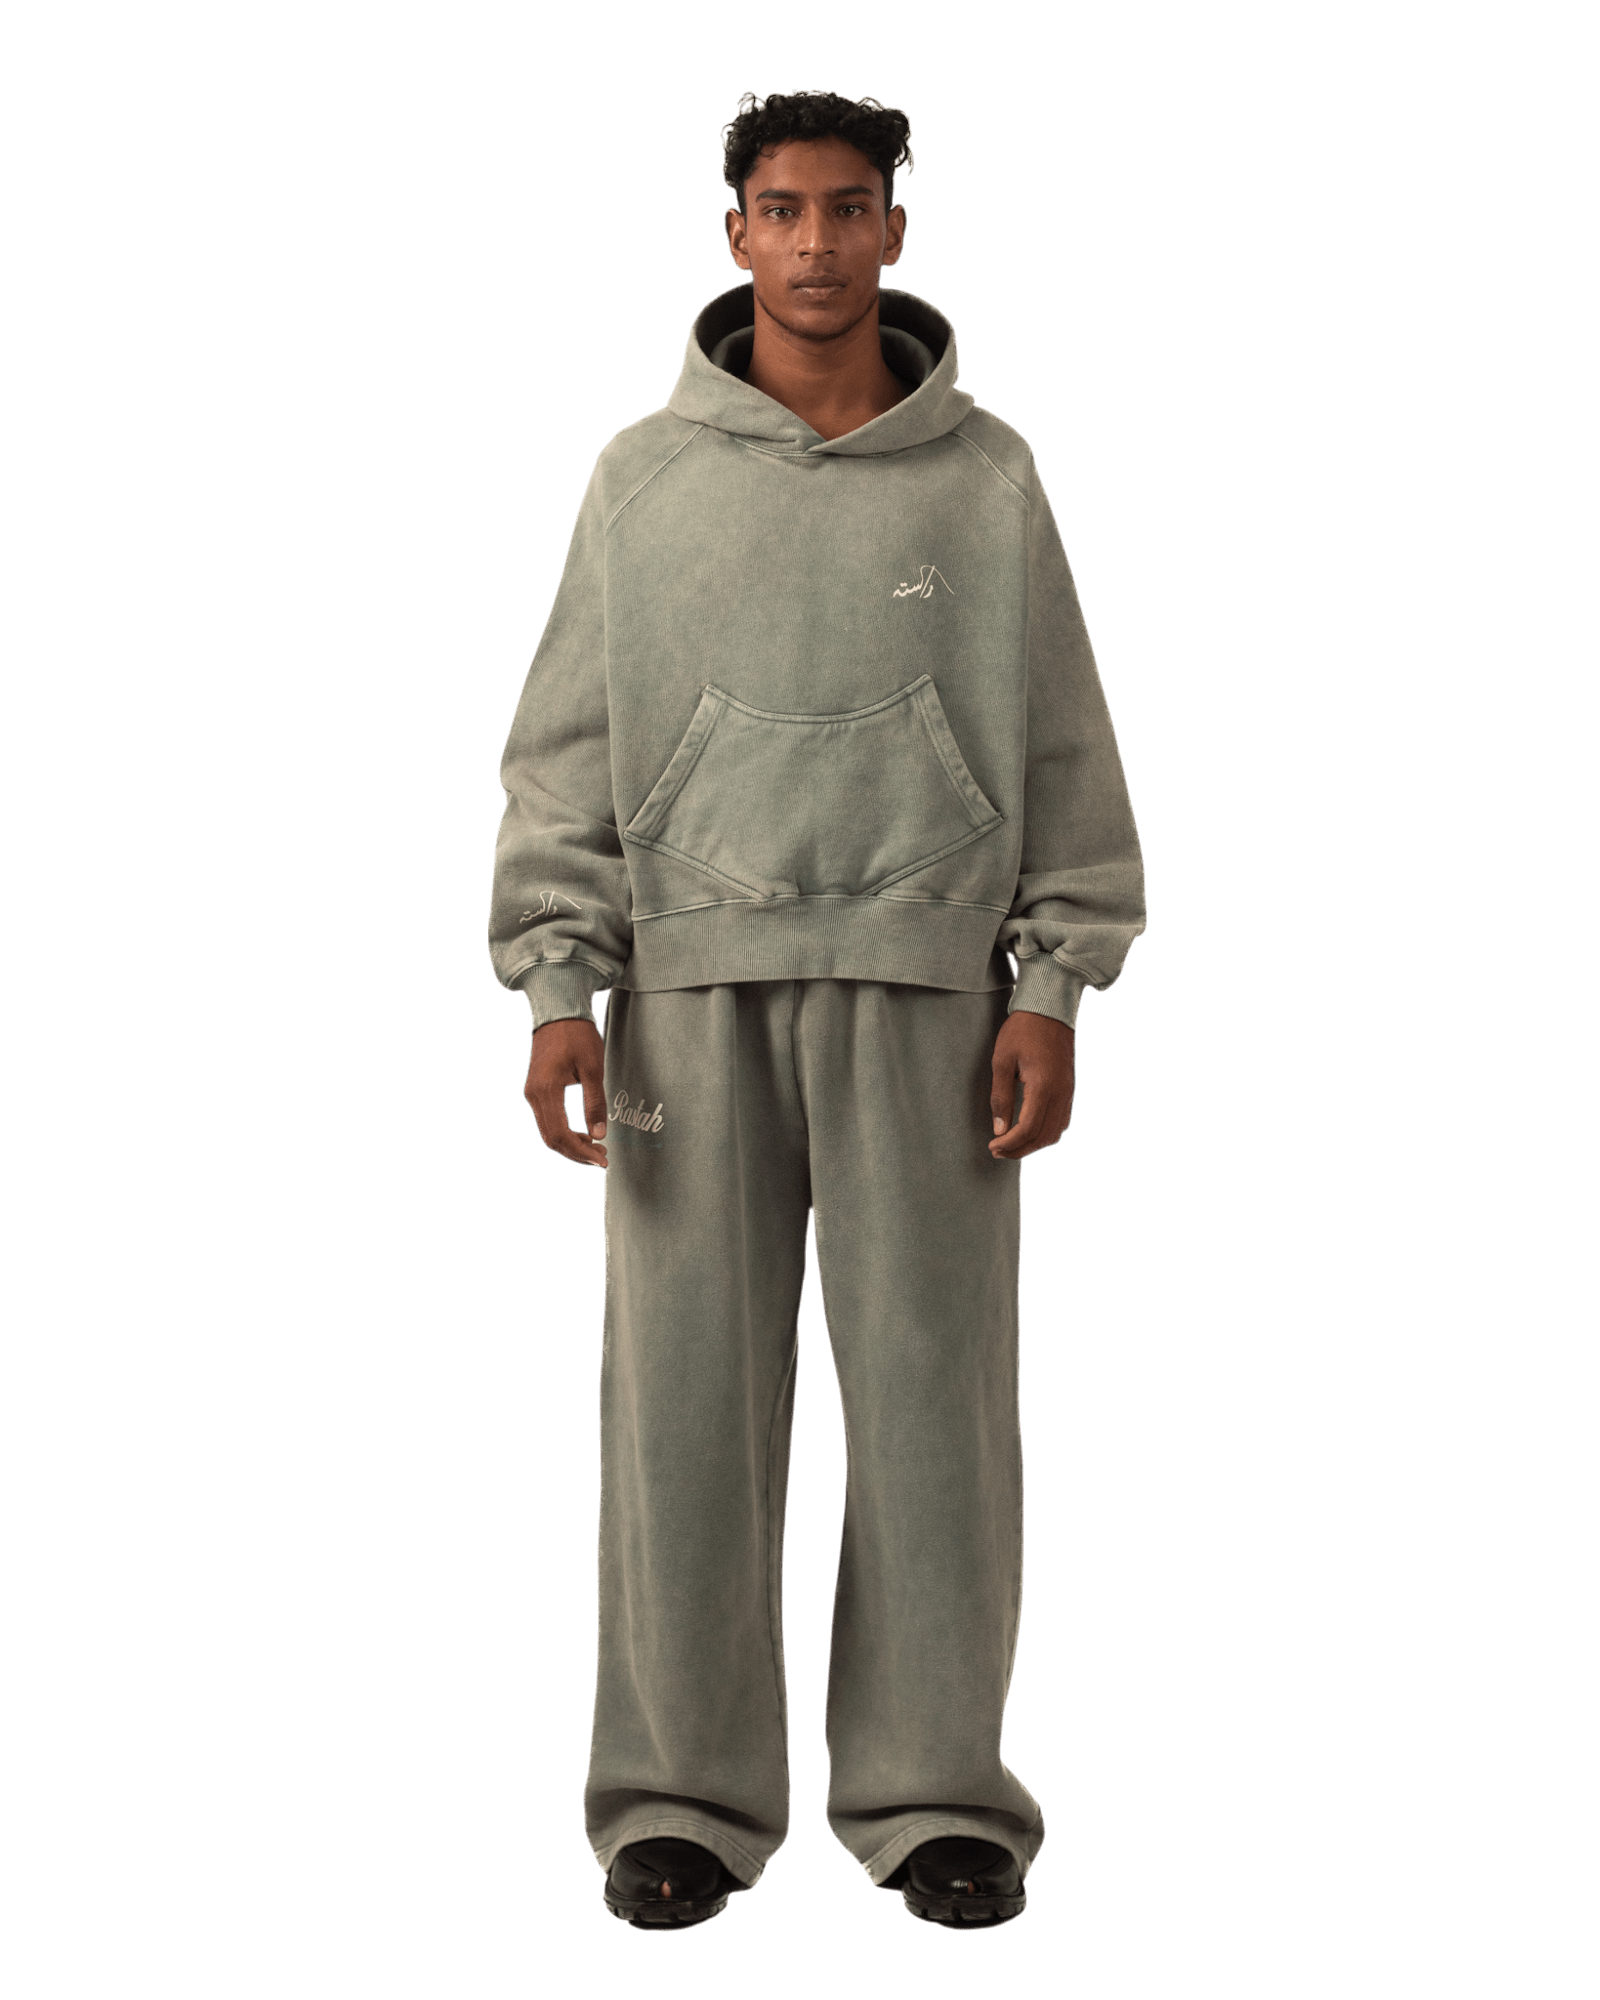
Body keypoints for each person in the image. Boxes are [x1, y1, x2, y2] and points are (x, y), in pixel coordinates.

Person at [487, 88, 1146, 1932]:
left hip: (935, 994)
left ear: (894, 232)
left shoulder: (990, 478)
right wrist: (558, 981)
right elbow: (562, 750)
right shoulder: (640, 477)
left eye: (849, 209)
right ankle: (678, 1802)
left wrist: (1054, 983)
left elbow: (1065, 746)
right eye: (782, 210)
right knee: (680, 1413)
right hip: (684, 997)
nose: (816, 243)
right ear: (736, 235)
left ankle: (938, 1797)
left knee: (936, 1408)